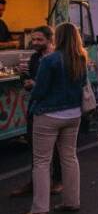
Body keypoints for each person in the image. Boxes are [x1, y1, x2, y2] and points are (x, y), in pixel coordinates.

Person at [16, 23, 86, 214]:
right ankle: (72, 200)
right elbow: (81, 85)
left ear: (58, 38)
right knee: (69, 157)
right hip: (73, 114)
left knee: (41, 161)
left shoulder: (50, 60)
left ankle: (39, 209)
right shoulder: (81, 58)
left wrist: (32, 89)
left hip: (48, 114)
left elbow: (40, 90)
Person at [9, 26, 62, 198]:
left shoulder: (57, 57)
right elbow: (27, 76)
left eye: (40, 39)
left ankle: (58, 180)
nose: (35, 42)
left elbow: (58, 83)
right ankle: (35, 181)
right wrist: (25, 79)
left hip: (53, 108)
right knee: (34, 145)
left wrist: (35, 84)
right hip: (35, 107)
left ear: (49, 40)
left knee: (56, 146)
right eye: (34, 39)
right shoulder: (34, 57)